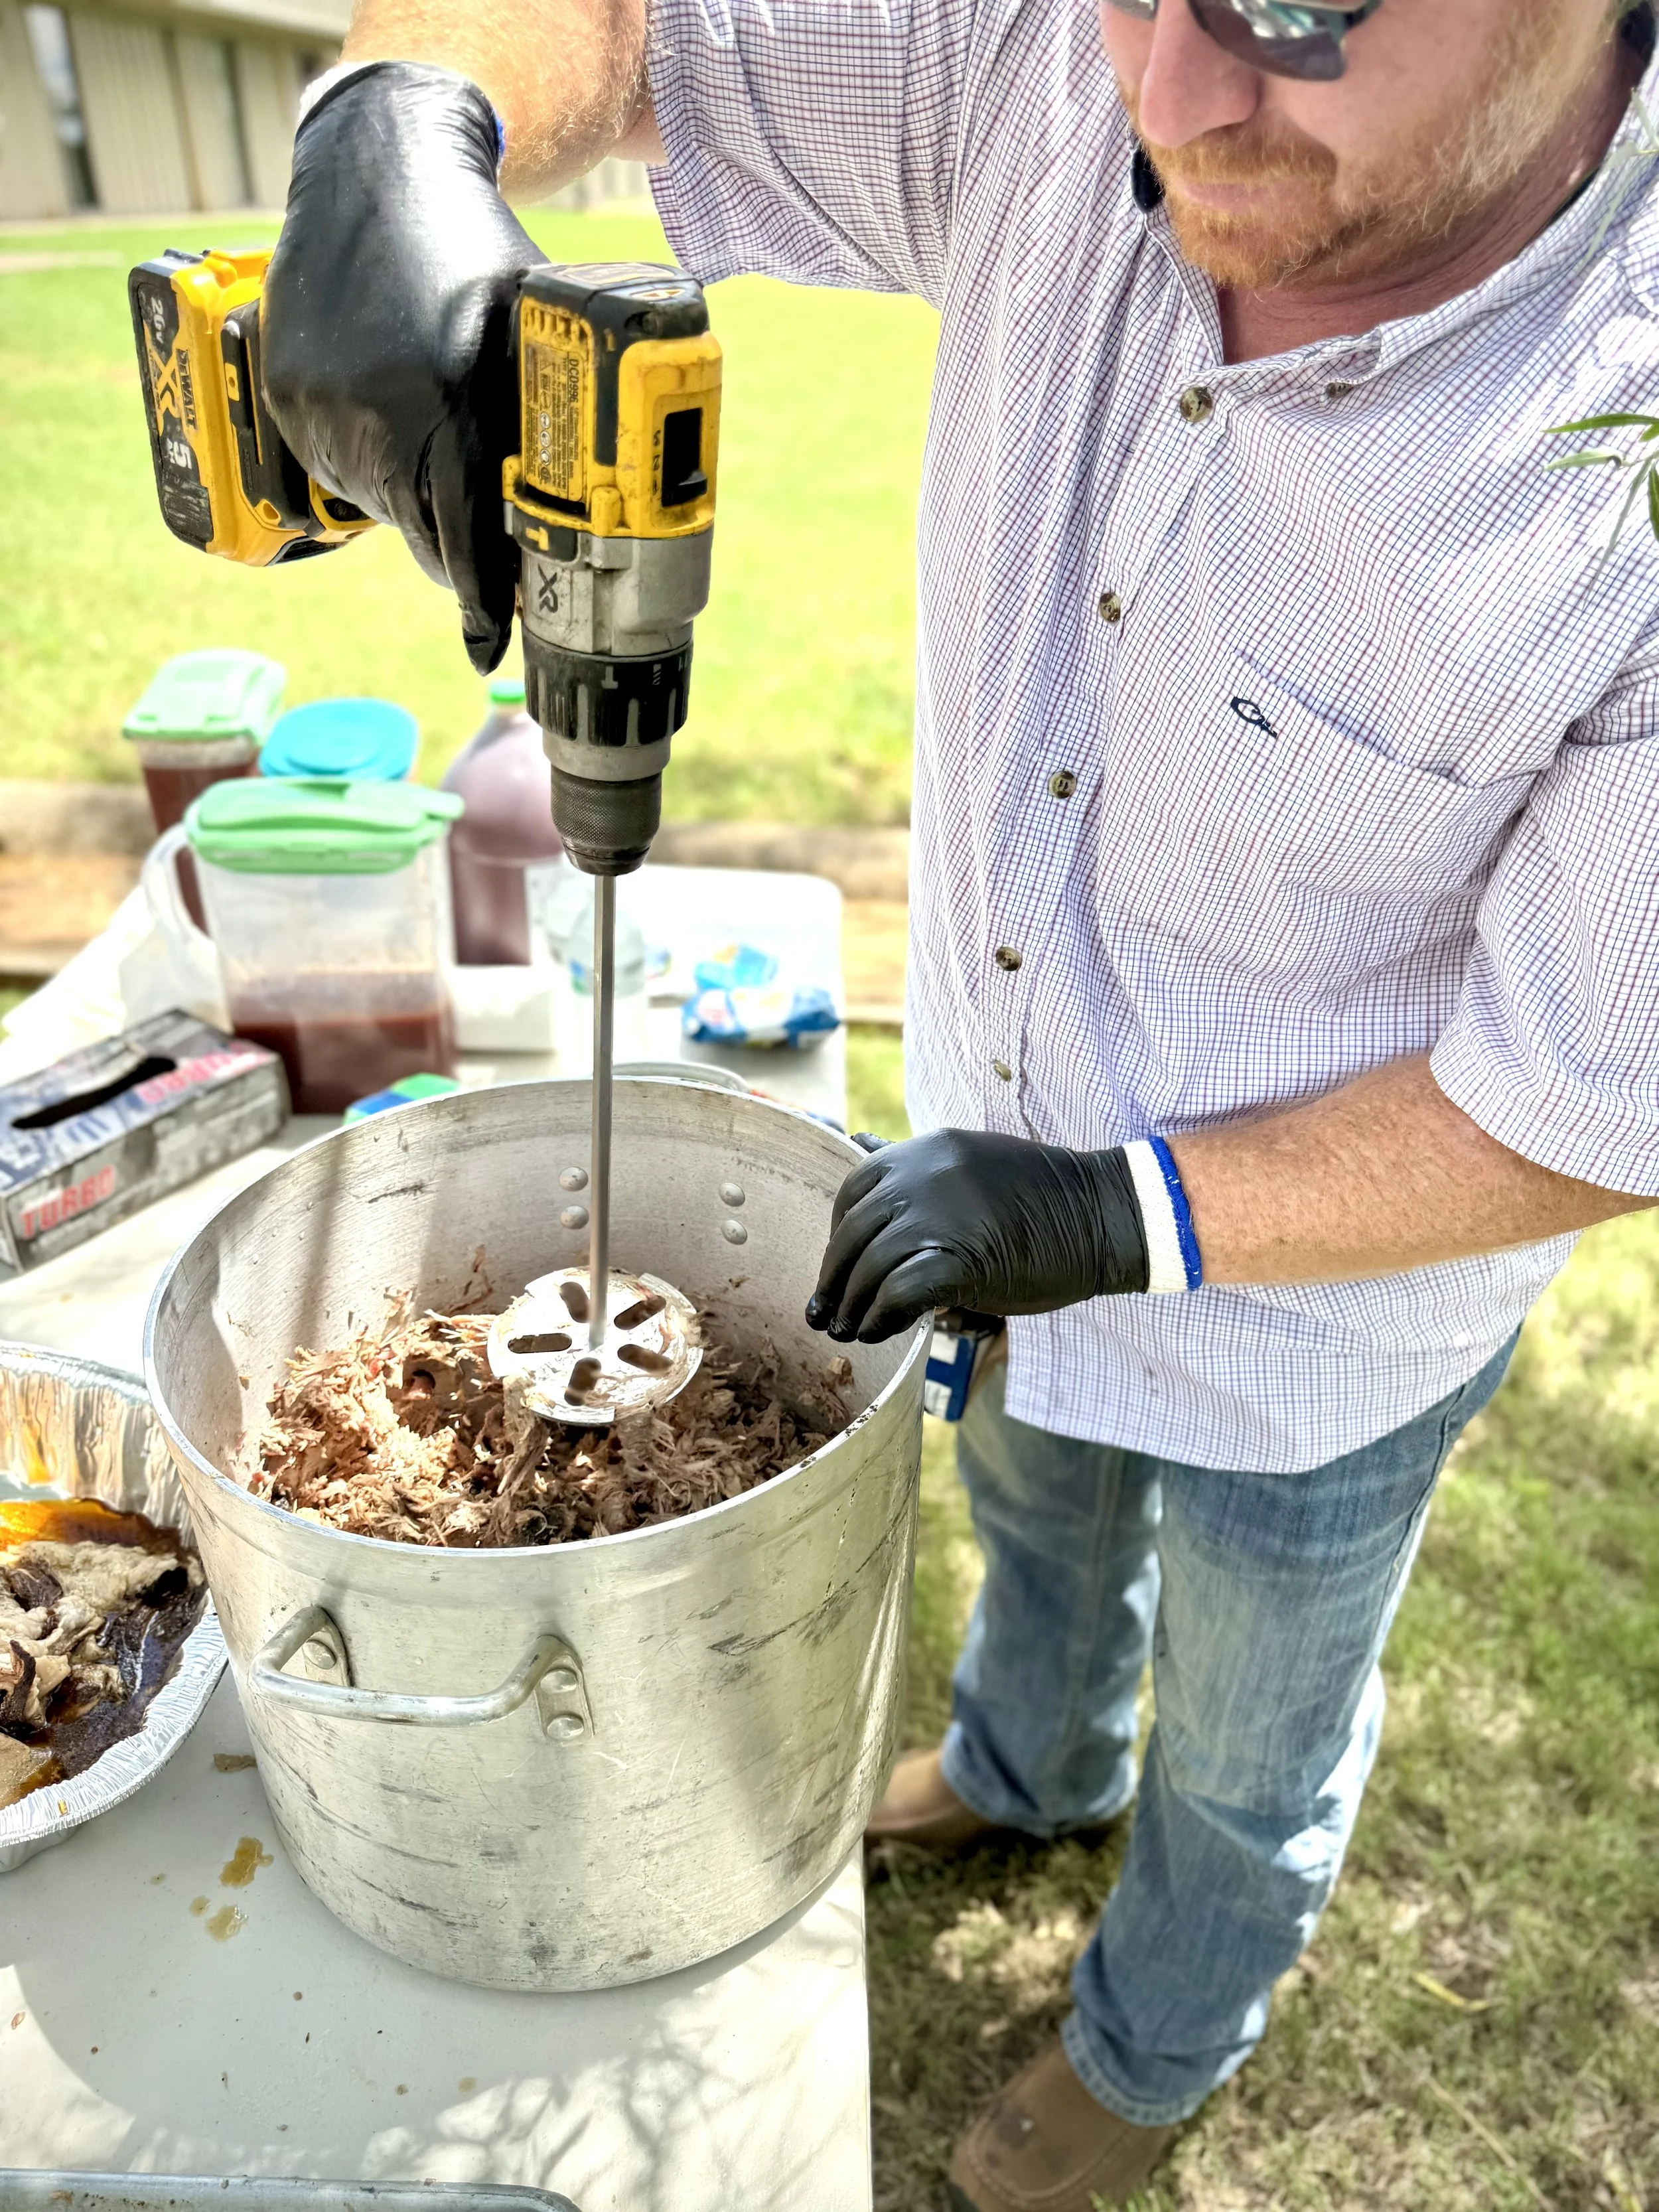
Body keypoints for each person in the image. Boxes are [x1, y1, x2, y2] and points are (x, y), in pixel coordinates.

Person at [262, 1, 1659, 2202]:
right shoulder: (1049, 57)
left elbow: (1598, 1093)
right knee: (1034, 1522)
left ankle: (1156, 2027)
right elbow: (618, 25)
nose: (1165, 97)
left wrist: (1131, 1215)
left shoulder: (1632, 439)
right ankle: (1023, 1766)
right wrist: (394, 120)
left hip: (1322, 1335)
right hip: (988, 1142)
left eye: (1296, 9)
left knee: (1249, 1739)